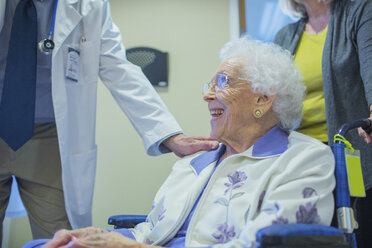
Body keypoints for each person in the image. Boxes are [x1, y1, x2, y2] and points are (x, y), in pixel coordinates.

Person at [24, 38, 336, 248]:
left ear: (262, 99)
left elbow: (266, 242)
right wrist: (96, 237)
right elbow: (149, 233)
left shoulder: (304, 160)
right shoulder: (196, 161)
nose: (207, 94)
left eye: (223, 83)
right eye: (209, 84)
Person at [0, 0, 219, 244]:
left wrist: (169, 135)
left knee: (62, 239)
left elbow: (119, 68)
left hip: (50, 138)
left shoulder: (90, 5)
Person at [274, 0, 372, 247]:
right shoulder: (285, 35)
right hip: (300, 156)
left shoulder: (358, 12)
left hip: (348, 146)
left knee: (358, 232)